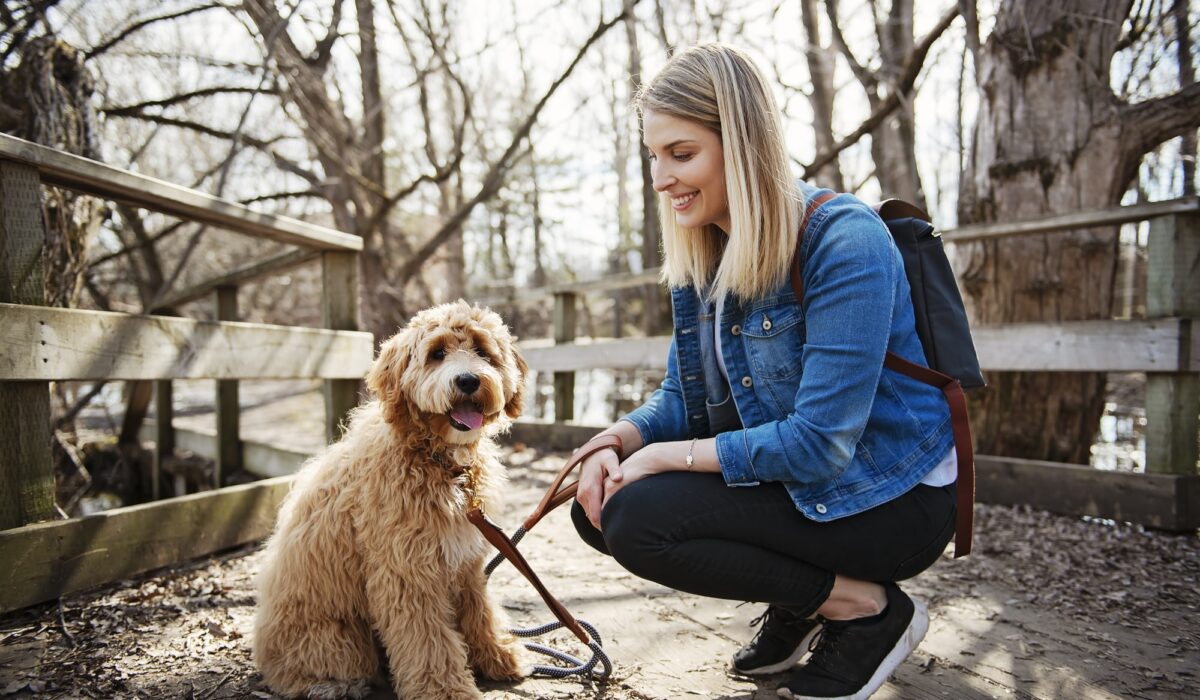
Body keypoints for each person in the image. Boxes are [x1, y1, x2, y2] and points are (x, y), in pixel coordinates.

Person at [569, 43, 959, 700]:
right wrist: (618, 442)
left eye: (681, 153)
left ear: (742, 142)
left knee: (640, 518)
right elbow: (681, 398)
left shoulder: (844, 239)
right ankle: (806, 600)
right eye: (654, 156)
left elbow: (820, 444)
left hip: (887, 498)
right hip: (803, 484)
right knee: (600, 506)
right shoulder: (707, 255)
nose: (661, 179)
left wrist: (664, 461)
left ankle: (865, 613)